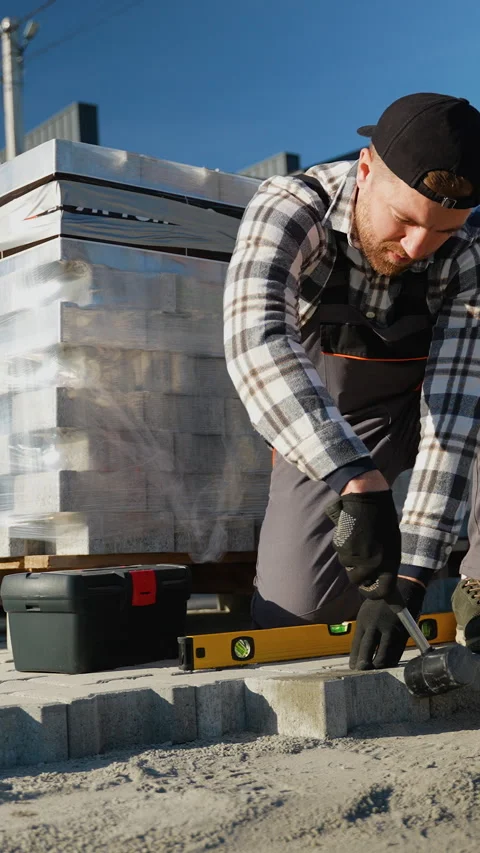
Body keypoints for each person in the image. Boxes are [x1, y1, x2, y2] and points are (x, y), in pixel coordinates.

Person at [224, 92, 480, 670]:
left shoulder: (468, 253)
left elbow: (457, 414)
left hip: (435, 416)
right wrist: (353, 478)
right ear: (366, 170)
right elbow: (256, 341)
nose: (418, 248)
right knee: (297, 611)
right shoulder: (292, 208)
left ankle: (477, 583)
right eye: (407, 220)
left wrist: (411, 576)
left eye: (441, 231)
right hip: (335, 424)